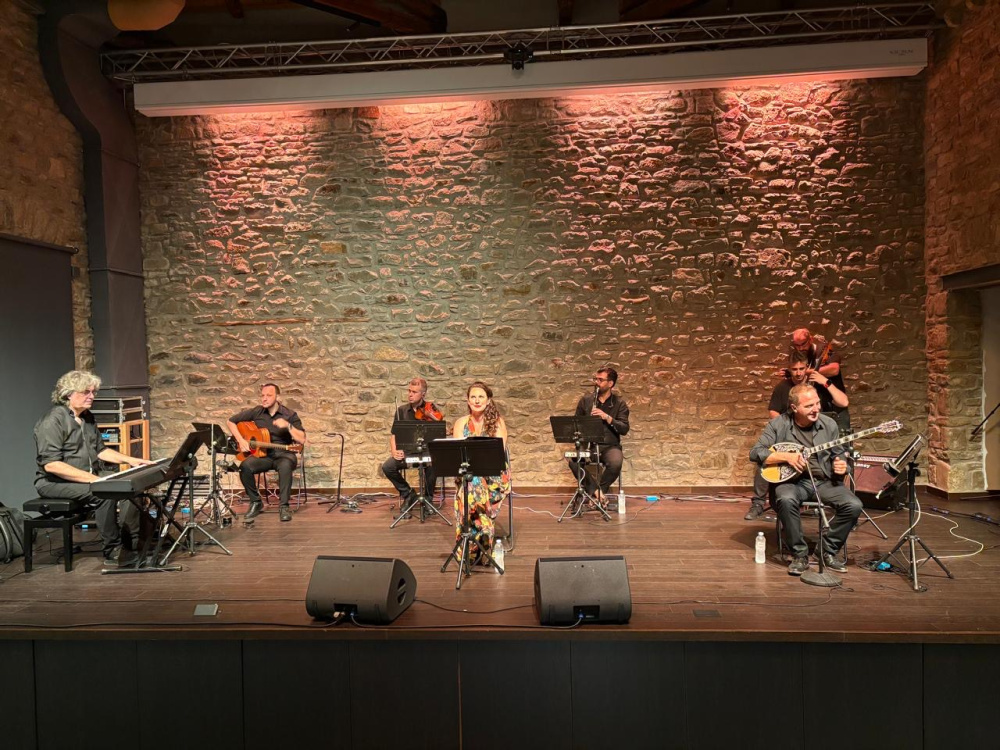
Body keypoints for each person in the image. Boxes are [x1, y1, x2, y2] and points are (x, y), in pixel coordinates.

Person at [33, 370, 153, 565]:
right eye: (86, 392)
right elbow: (52, 465)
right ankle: (112, 549)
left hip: (88, 475)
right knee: (103, 493)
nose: (92, 396)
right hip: (53, 482)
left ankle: (131, 543)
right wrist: (96, 480)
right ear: (68, 394)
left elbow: (100, 450)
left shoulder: (87, 417)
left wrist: (132, 460)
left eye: (93, 392)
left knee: (130, 484)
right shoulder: (52, 421)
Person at [749, 384, 862, 575]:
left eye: (817, 403)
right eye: (809, 406)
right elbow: (755, 452)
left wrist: (842, 464)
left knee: (854, 505)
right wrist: (786, 457)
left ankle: (826, 551)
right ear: (794, 408)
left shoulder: (829, 424)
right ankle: (799, 554)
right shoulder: (778, 425)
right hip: (791, 483)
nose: (816, 409)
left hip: (824, 481)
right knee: (786, 499)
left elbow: (839, 453)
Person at [745, 351, 848, 520]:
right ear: (789, 369)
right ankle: (758, 503)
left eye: (802, 368)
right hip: (789, 438)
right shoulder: (783, 387)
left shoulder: (818, 385)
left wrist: (825, 381)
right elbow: (774, 413)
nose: (799, 373)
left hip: (818, 440)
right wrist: (783, 435)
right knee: (766, 457)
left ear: (808, 367)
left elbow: (843, 402)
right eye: (794, 369)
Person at [227, 383, 306, 523]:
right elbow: (231, 421)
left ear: (277, 397)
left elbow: (302, 439)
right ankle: (256, 501)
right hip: (263, 455)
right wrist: (241, 440)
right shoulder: (257, 411)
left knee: (285, 466)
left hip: (285, 454)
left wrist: (288, 426)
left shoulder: (289, 414)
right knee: (245, 466)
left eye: (268, 395)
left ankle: (284, 506)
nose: (264, 398)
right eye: (262, 395)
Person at [451, 381, 510, 563]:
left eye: (481, 397)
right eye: (473, 397)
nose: (477, 401)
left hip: (494, 476)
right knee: (471, 483)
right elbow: (459, 455)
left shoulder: (497, 423)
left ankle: (470, 547)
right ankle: (483, 542)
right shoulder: (461, 423)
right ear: (468, 401)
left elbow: (497, 456)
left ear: (488, 400)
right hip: (469, 475)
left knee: (471, 487)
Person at [568, 367, 630, 507]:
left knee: (616, 462)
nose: (596, 382)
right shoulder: (586, 401)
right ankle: (598, 494)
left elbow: (624, 428)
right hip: (589, 445)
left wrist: (607, 417)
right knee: (573, 461)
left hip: (609, 446)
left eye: (600, 380)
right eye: (595, 379)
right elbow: (575, 423)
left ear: (610, 383)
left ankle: (596, 493)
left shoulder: (619, 404)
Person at [382, 377, 444, 511]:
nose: (410, 394)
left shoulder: (431, 408)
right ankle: (409, 494)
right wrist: (394, 451)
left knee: (434, 463)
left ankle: (428, 499)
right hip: (408, 452)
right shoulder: (401, 411)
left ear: (423, 394)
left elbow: (439, 431)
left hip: (426, 451)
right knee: (387, 467)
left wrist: (431, 417)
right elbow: (394, 435)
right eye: (409, 391)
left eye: (414, 392)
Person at [790, 328, 850, 434]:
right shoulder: (802, 355)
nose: (800, 348)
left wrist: (808, 372)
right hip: (816, 409)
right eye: (797, 345)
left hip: (835, 408)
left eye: (803, 344)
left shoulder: (824, 351)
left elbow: (834, 369)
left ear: (810, 339)